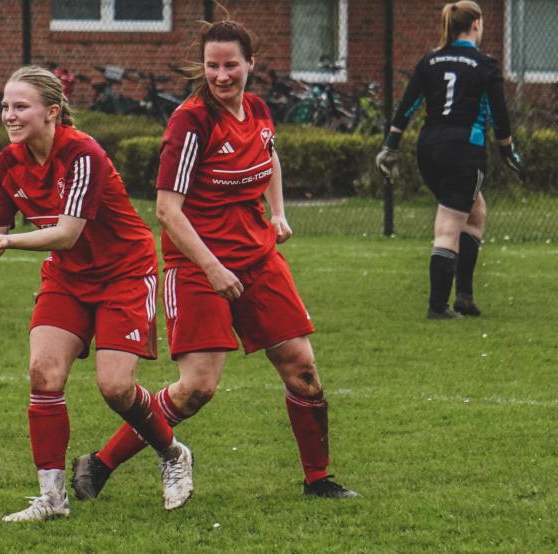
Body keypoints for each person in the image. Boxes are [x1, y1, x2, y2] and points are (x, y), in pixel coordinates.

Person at [70, 20, 358, 502]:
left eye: (230, 65)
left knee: (303, 371)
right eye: (212, 66)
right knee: (196, 388)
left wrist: (279, 212)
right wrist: (212, 268)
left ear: (251, 64)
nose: (221, 75)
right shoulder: (191, 122)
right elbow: (167, 210)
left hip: (258, 260)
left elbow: (271, 158)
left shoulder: (259, 110)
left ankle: (318, 480)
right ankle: (99, 463)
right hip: (197, 267)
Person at [0, 66, 195, 521]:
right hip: (68, 276)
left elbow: (65, 233)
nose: (9, 114)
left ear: (51, 112)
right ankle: (52, 498)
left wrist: (4, 242)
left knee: (116, 387)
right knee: (43, 373)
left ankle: (171, 453)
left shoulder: (83, 153)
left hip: (124, 272)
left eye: (20, 106)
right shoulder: (6, 163)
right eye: (5, 106)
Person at [376, 1, 525, 319]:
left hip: (428, 149)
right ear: (476, 24)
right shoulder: (485, 64)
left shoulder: (430, 60)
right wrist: (507, 150)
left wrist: (390, 147)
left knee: (475, 212)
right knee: (449, 225)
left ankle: (465, 297)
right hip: (464, 151)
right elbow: (499, 115)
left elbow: (408, 105)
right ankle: (438, 307)